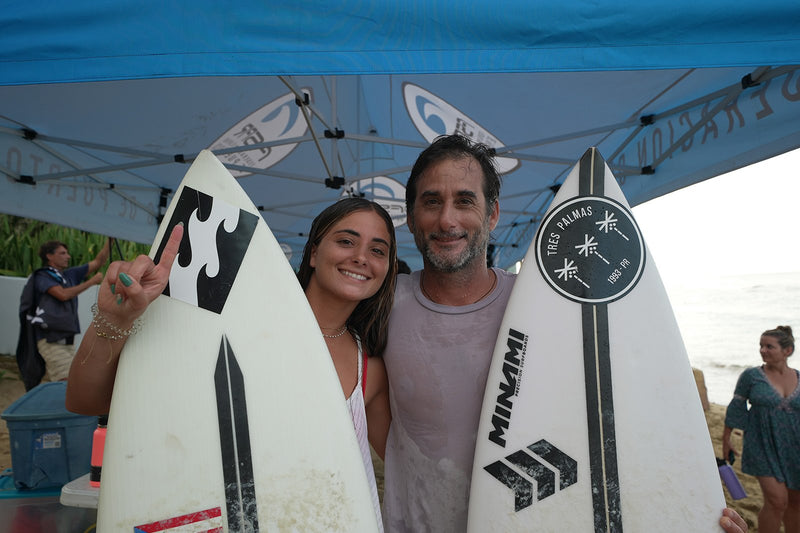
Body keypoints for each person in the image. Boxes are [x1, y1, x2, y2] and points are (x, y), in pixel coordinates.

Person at [381, 133, 749, 533]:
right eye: (431, 201)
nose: (447, 219)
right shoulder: (381, 310)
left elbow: (620, 414)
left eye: (465, 200)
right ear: (412, 214)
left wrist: (692, 506)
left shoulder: (545, 309)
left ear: (492, 215)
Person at [66, 198, 395, 528]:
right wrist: (112, 320)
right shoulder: (232, 329)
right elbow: (85, 401)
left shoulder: (369, 368)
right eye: (346, 241)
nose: (361, 257)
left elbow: (408, 462)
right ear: (313, 253)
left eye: (378, 250)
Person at [723, 325, 799, 533]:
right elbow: (736, 409)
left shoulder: (799, 378)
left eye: (769, 346)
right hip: (761, 444)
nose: (763, 350)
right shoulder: (751, 376)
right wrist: (726, 440)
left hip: (795, 447)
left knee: (795, 502)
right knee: (777, 500)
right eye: (761, 346)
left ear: (787, 351)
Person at [17, 238, 110, 385]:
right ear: (49, 256)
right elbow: (63, 294)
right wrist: (91, 282)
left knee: (71, 381)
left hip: (67, 341)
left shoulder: (69, 275)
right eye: (63, 253)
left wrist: (110, 240)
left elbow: (98, 262)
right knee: (66, 382)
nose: (68, 256)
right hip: (51, 339)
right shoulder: (43, 276)